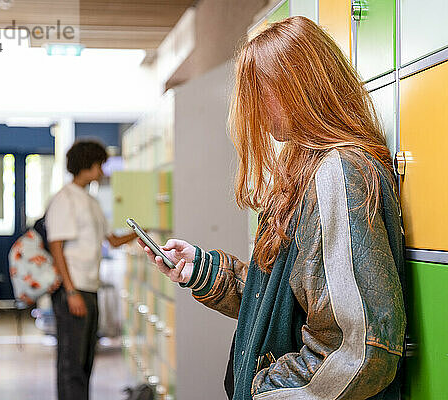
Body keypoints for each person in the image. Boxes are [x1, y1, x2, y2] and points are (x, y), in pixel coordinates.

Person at [138, 16, 406, 400]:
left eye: (260, 93)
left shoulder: (337, 174)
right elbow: (285, 300)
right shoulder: (306, 167)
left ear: (299, 88)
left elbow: (359, 349)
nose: (256, 112)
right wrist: (203, 269)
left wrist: (263, 390)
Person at [46, 139, 138, 400]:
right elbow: (56, 248)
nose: (103, 172)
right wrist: (71, 291)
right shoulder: (65, 200)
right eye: (100, 165)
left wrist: (141, 234)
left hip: (90, 287)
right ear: (89, 165)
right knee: (71, 363)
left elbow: (111, 240)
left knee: (85, 359)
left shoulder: (91, 201)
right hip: (73, 290)